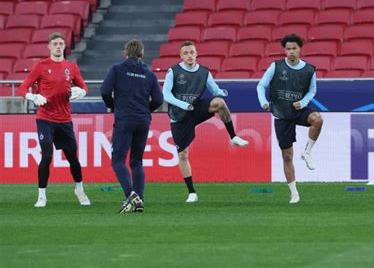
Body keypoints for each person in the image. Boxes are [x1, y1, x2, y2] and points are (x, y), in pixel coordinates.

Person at [163, 40, 249, 203]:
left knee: (219, 103)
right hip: (179, 116)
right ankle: (192, 192)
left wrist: (222, 92)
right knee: (182, 154)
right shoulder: (173, 72)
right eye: (186, 53)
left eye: (192, 52)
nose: (189, 55)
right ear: (181, 56)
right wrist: (183, 104)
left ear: (196, 54)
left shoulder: (204, 72)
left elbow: (214, 90)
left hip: (194, 110)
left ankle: (233, 137)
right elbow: (166, 95)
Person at [18, 32, 90, 208]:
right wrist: (32, 97)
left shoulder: (71, 67)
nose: (58, 46)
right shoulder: (41, 66)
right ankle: (42, 195)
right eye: (55, 44)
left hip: (65, 119)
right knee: (47, 155)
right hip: (45, 118)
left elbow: (83, 86)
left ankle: (79, 189)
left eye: (61, 44)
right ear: (49, 47)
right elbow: (22, 87)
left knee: (73, 158)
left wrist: (82, 92)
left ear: (64, 47)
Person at [257, 33, 323, 204]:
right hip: (281, 112)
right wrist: (264, 102)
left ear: (300, 49)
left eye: (294, 48)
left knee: (317, 119)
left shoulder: (309, 70)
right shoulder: (276, 66)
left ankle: (307, 152)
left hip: (299, 109)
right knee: (287, 156)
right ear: (284, 50)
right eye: (288, 49)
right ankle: (294, 193)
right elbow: (261, 85)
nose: (291, 52)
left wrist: (303, 102)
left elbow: (312, 91)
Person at [101, 39, 163, 213]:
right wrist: (146, 110)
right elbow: (158, 99)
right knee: (137, 161)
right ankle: (140, 200)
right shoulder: (149, 74)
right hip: (143, 120)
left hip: (125, 118)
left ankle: (131, 195)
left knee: (118, 160)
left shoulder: (117, 69)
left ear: (125, 53)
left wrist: (113, 106)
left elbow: (105, 91)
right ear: (142, 55)